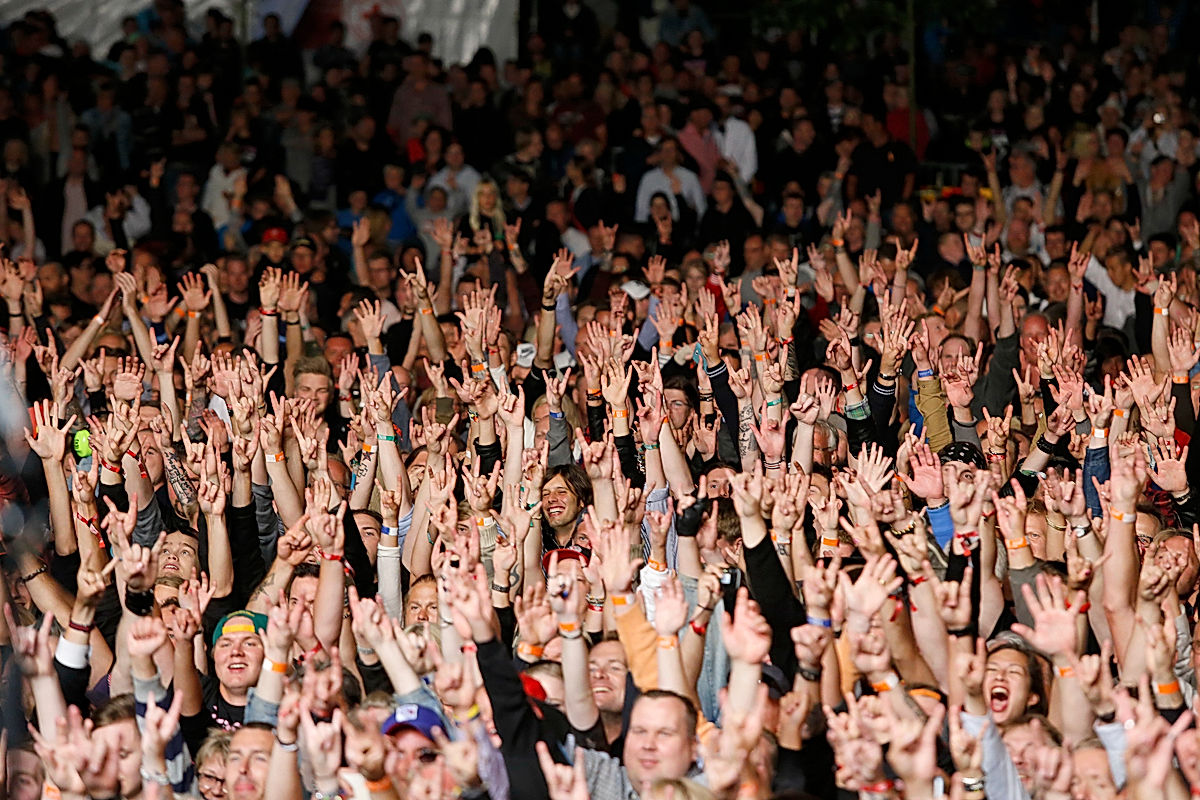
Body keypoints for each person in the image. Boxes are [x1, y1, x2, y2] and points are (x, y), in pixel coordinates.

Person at [9, 5, 1200, 800]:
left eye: (663, 739)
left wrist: (807, 559)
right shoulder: (243, 708)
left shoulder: (993, 735)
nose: (643, 742)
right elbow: (284, 586)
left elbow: (597, 705)